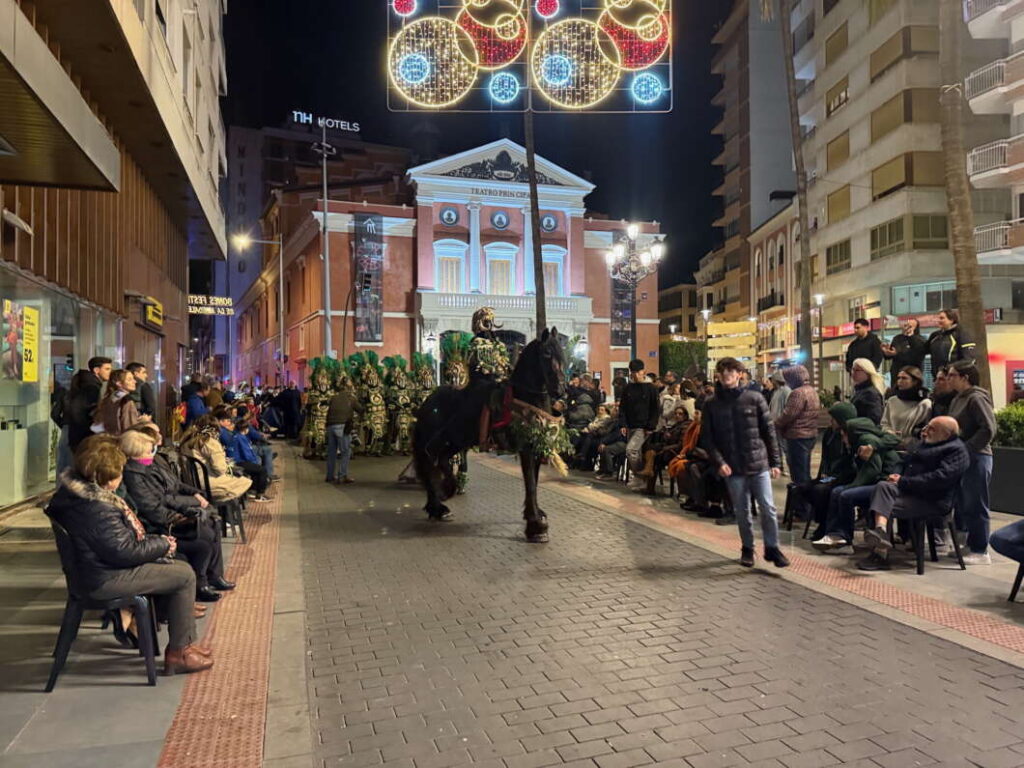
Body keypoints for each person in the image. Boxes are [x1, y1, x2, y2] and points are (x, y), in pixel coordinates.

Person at [45, 435, 213, 675]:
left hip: (92, 570)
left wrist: (157, 544)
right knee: (184, 575)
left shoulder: (74, 495)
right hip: (104, 578)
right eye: (118, 474)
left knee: (178, 568)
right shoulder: (97, 507)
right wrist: (162, 544)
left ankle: (181, 642)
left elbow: (116, 546)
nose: (121, 477)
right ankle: (180, 652)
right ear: (104, 477)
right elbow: (124, 552)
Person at [120, 426, 233, 601]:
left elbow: (174, 486)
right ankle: (200, 584)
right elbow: (153, 508)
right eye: (148, 451)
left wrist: (194, 496)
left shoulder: (150, 464)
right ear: (137, 451)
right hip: (160, 525)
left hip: (170, 513)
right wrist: (182, 516)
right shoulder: (134, 475)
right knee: (204, 534)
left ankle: (212, 577)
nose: (152, 453)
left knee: (211, 520)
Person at [700, 357, 788, 569]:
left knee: (768, 507)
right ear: (718, 375)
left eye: (731, 371)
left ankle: (772, 548)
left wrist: (775, 462)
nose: (727, 375)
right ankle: (747, 548)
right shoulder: (711, 404)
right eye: (723, 371)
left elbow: (768, 431)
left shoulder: (754, 398)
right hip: (732, 466)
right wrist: (719, 462)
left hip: (758, 463)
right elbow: (707, 439)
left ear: (739, 374)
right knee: (742, 510)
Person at [856, 416, 969, 571]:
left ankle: (880, 554)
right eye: (927, 427)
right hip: (910, 490)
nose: (926, 431)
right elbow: (904, 461)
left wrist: (903, 481)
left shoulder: (957, 451)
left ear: (946, 434)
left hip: (932, 500)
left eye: (932, 429)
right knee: (882, 487)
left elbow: (939, 479)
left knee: (883, 505)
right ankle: (880, 530)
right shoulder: (926, 443)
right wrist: (896, 476)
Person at [812, 415, 902, 554]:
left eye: (844, 435)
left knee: (845, 494)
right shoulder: (857, 442)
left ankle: (843, 538)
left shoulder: (866, 441)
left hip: (884, 484)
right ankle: (837, 536)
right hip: (877, 482)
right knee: (836, 491)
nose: (843, 439)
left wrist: (853, 485)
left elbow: (873, 470)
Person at [947, 360, 997, 564]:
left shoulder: (976, 398)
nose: (948, 379)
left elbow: (988, 428)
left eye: (952, 375)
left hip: (977, 456)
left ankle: (980, 549)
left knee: (976, 503)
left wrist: (967, 448)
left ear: (964, 378)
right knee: (964, 503)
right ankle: (969, 543)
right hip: (962, 457)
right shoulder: (957, 399)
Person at [179, 414, 253, 504]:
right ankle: (223, 507)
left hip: (190, 482)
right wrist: (226, 464)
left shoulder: (186, 441)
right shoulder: (210, 442)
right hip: (207, 483)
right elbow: (220, 469)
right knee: (245, 481)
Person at [617, 359, 661, 486]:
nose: (636, 375)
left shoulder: (651, 388)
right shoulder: (628, 388)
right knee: (636, 452)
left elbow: (655, 409)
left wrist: (651, 426)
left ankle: (638, 476)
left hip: (644, 426)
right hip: (631, 424)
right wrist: (623, 424)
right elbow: (623, 407)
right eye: (633, 372)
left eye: (638, 372)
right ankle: (641, 478)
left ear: (643, 372)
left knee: (631, 450)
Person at [773, 365, 819, 485]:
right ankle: (805, 492)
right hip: (810, 434)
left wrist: (775, 424)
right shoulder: (812, 391)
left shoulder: (798, 393)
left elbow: (789, 414)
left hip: (798, 436)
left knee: (799, 473)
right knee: (804, 468)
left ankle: (802, 494)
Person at [213, 407, 270, 501]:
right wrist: (254, 461)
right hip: (236, 462)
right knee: (262, 470)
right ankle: (260, 494)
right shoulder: (234, 436)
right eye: (228, 421)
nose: (230, 423)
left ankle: (253, 490)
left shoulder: (233, 434)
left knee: (256, 466)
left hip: (234, 460)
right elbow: (246, 453)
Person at [66, 356, 113, 450]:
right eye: (107, 369)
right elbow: (83, 411)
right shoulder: (91, 387)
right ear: (96, 370)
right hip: (84, 436)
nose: (110, 372)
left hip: (78, 435)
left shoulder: (86, 383)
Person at [880, 366, 932, 450]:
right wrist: (890, 432)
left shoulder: (924, 404)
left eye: (904, 378)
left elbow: (924, 431)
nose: (900, 381)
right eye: (899, 378)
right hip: (890, 443)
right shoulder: (892, 400)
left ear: (915, 381)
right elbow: (884, 423)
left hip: (912, 448)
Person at [325, 379, 361, 484]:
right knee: (346, 452)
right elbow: (360, 409)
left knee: (331, 452)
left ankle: (330, 476)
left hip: (330, 426)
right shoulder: (351, 398)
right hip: (342, 426)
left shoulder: (333, 397)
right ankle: (342, 475)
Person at [94, 369, 148, 436]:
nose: (134, 381)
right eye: (129, 379)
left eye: (133, 378)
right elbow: (129, 428)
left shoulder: (107, 399)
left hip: (106, 438)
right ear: (119, 383)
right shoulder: (126, 401)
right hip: (121, 438)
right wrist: (143, 422)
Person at [882, 318, 927, 387]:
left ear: (915, 328)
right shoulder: (897, 338)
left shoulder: (920, 339)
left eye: (910, 326)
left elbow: (919, 354)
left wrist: (911, 336)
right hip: (897, 373)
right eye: (905, 325)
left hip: (913, 373)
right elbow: (890, 354)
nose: (907, 328)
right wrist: (887, 353)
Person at [849, 358, 885, 425]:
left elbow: (875, 417)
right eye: (853, 369)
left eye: (857, 370)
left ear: (867, 373)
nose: (853, 373)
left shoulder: (871, 393)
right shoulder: (859, 390)